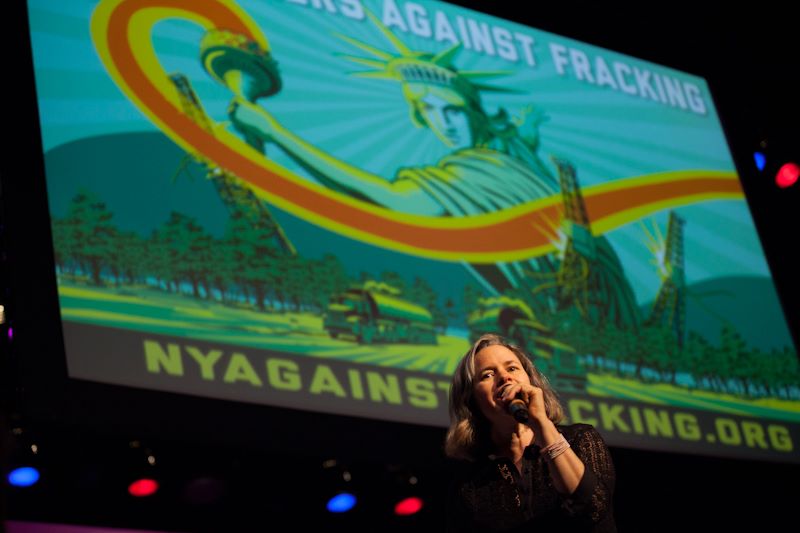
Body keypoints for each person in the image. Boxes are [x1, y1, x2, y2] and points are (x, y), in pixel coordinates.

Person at [445, 333, 616, 532]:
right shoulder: (469, 484)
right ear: (471, 400)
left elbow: (592, 508)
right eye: (488, 375)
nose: (504, 377)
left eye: (512, 368)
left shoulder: (580, 439)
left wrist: (541, 423)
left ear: (531, 382)